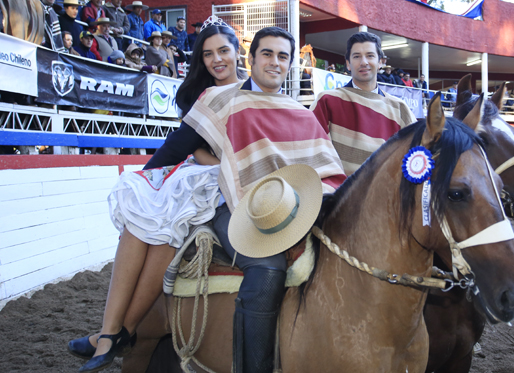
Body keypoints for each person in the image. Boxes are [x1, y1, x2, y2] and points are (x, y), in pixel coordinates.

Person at [68, 21, 345, 373]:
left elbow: (324, 167)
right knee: (265, 264)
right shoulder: (220, 98)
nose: (275, 62)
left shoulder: (300, 112)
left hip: (290, 204)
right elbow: (179, 147)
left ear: (290, 64)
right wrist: (149, 179)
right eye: (267, 54)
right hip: (235, 200)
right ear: (253, 58)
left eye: (282, 56)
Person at [311, 32, 416, 176]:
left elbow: (415, 156)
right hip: (338, 195)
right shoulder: (327, 101)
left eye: (370, 56)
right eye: (356, 56)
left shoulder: (400, 109)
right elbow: (312, 152)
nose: (364, 62)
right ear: (348, 64)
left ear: (380, 62)